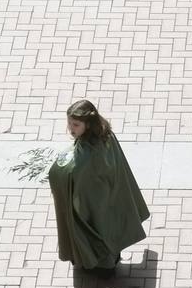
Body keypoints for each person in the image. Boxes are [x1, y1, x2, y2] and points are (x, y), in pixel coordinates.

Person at [46, 100, 150, 277]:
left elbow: (73, 171)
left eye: (76, 125)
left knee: (93, 230)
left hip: (94, 200)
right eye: (69, 123)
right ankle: (108, 260)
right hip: (107, 194)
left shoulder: (88, 154)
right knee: (107, 227)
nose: (71, 128)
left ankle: (102, 265)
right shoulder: (106, 135)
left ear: (88, 124)